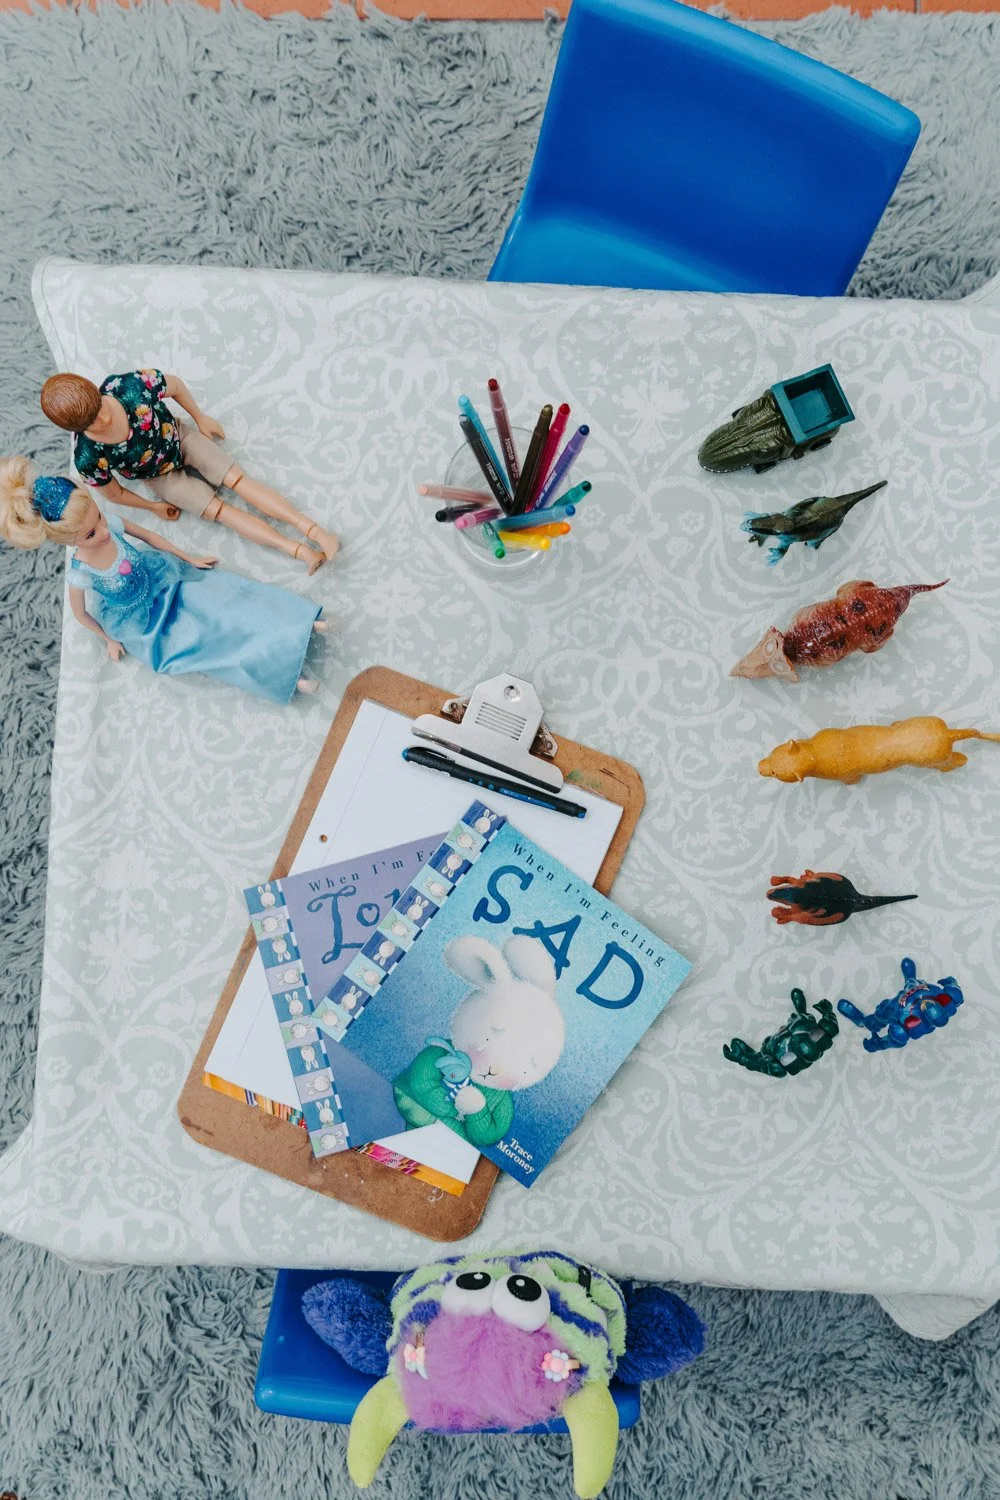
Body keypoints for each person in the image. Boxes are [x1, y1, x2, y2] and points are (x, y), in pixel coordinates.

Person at [0, 456, 327, 704]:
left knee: (228, 599)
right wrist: (109, 639)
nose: (102, 531)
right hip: (143, 621)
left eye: (98, 518)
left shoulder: (111, 526)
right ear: (69, 541)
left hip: (163, 578)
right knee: (207, 644)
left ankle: (298, 622)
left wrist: (189, 558)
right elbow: (81, 614)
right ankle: (283, 677)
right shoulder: (80, 574)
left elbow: (152, 538)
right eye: (89, 533)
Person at [40, 368, 338, 574]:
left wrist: (200, 417)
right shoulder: (88, 456)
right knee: (221, 511)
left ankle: (314, 530)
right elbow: (114, 493)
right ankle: (300, 552)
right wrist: (153, 506)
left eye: (100, 406)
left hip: (180, 437)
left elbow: (175, 386)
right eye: (92, 421)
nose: (104, 417)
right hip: (160, 477)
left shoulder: (126, 387)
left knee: (238, 481)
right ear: (77, 429)